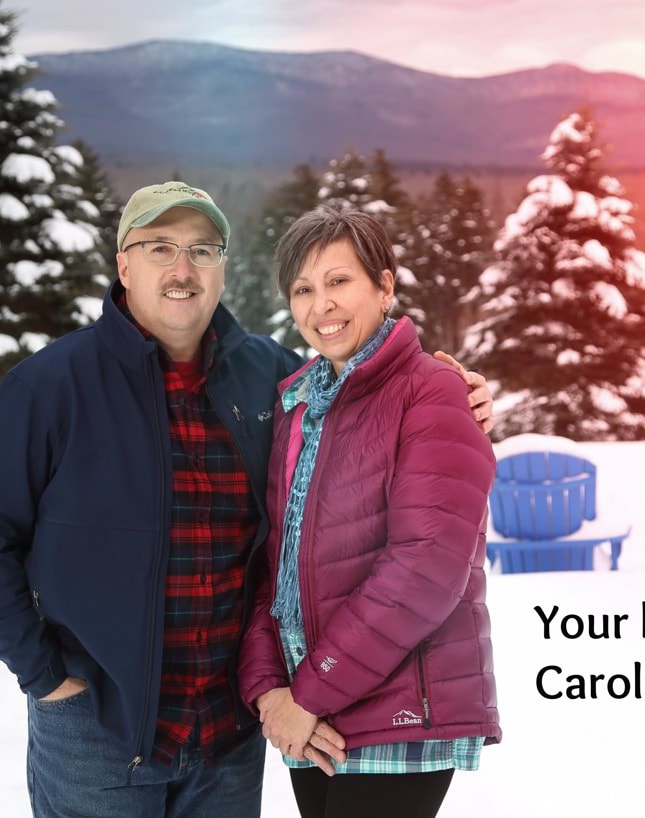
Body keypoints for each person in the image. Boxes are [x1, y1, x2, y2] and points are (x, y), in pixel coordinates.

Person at [0, 182, 491, 817]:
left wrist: (456, 392)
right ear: (124, 263)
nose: (183, 268)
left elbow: (355, 409)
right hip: (100, 728)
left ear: (223, 266)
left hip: (226, 733)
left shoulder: (271, 377)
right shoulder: (51, 386)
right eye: (161, 247)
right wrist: (44, 675)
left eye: (203, 250)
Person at [237, 205, 500, 818]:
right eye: (303, 289)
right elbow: (275, 564)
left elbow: (426, 569)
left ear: (384, 286)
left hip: (394, 708)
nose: (320, 305)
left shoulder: (430, 390)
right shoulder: (299, 403)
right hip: (314, 716)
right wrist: (269, 691)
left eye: (339, 281)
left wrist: (307, 692)